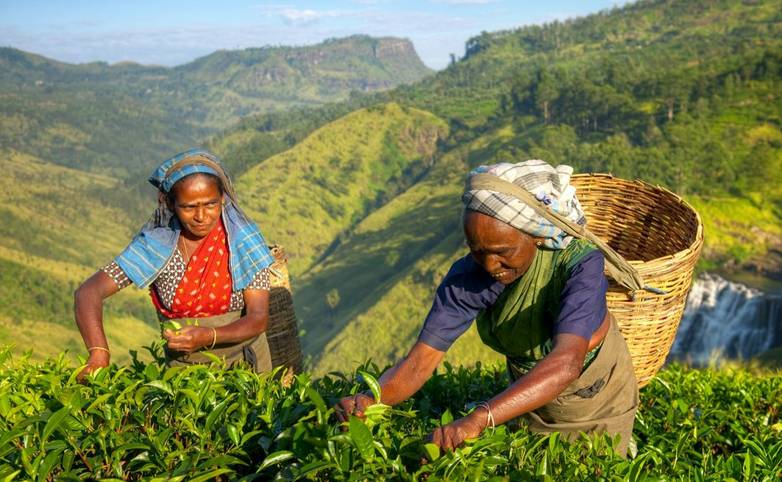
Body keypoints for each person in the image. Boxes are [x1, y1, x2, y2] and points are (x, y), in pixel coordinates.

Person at [336, 160, 639, 456]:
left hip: (597, 393)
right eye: (477, 251)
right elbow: (419, 362)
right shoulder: (469, 277)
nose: (490, 265)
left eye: (502, 252)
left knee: (597, 462)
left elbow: (566, 362)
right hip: (529, 393)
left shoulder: (580, 264)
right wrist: (371, 399)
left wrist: (479, 419)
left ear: (535, 233)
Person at [74, 148, 276, 379]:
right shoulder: (157, 246)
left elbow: (258, 319)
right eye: (189, 207)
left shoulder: (243, 242)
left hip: (246, 367)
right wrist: (99, 353)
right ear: (170, 204)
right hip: (184, 375)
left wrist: (208, 336)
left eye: (210, 204)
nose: (201, 216)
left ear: (223, 199)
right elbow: (88, 292)